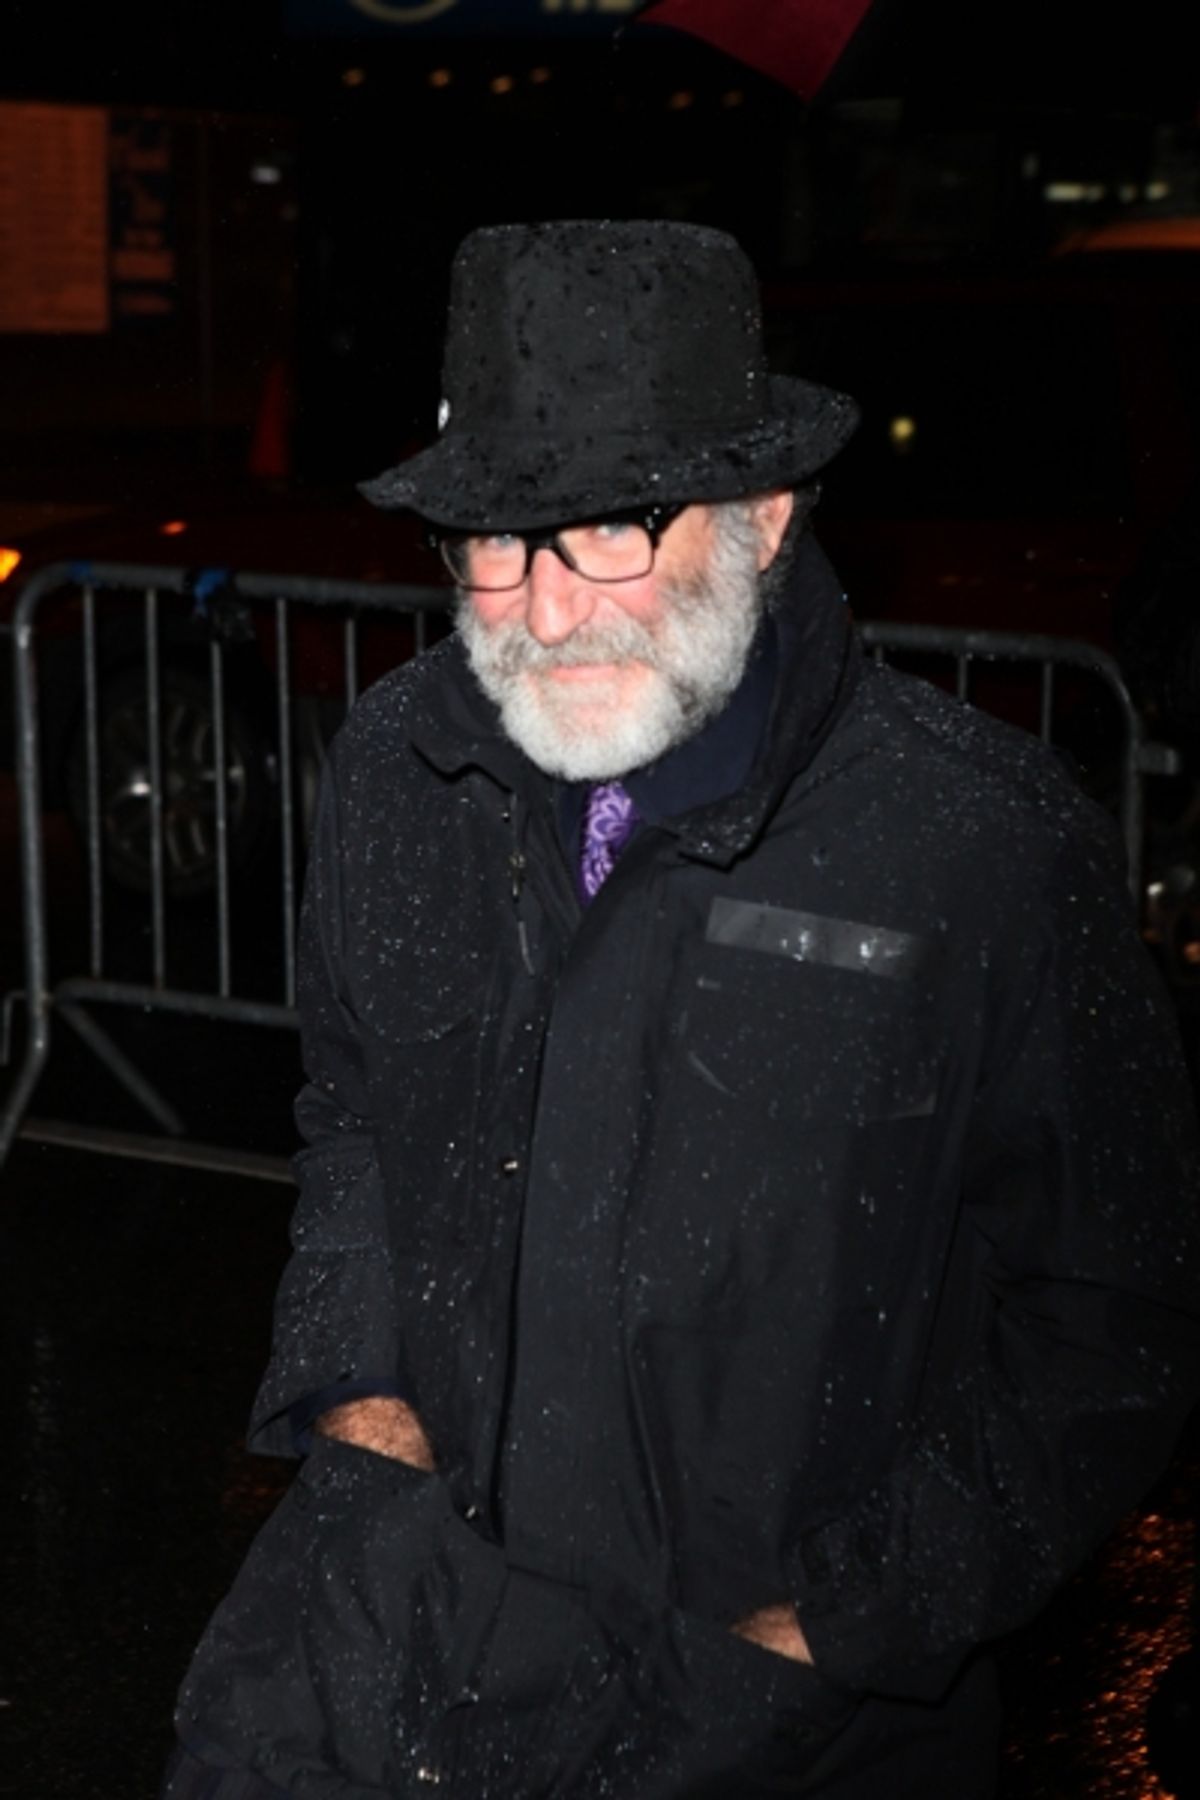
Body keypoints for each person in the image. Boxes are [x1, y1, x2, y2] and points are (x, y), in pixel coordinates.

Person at [163, 221, 1200, 1799]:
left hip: (777, 1714)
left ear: (768, 516)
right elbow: (358, 1116)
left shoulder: (979, 841)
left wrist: (840, 1623)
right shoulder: (396, 769)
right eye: (495, 542)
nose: (547, 608)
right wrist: (366, 1421)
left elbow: (1110, 1316)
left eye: (616, 528)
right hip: (405, 1623)